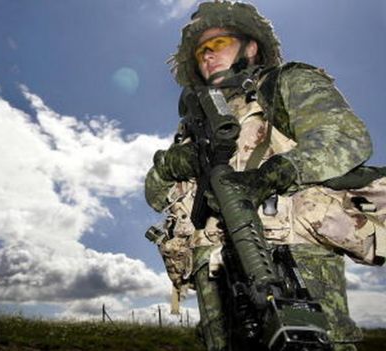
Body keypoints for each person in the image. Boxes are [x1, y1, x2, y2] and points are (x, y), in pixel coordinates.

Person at [144, 2, 386, 351]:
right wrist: (171, 164)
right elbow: (155, 194)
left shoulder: (284, 84)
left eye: (218, 45)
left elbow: (345, 137)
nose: (207, 57)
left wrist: (271, 175)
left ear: (251, 46)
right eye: (201, 52)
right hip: (214, 274)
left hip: (289, 258)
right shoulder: (194, 127)